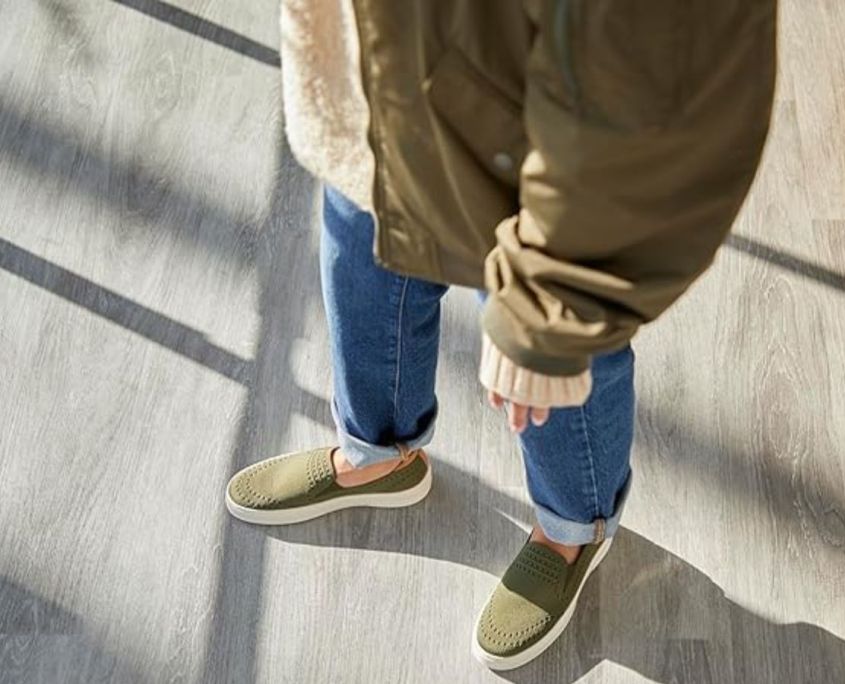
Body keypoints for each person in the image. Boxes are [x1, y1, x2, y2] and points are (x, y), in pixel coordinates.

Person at [225, 0, 778, 671]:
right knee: (366, 243)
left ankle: (574, 528)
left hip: (527, 138)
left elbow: (659, 88)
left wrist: (551, 304)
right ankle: (379, 454)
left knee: (558, 352)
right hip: (379, 78)